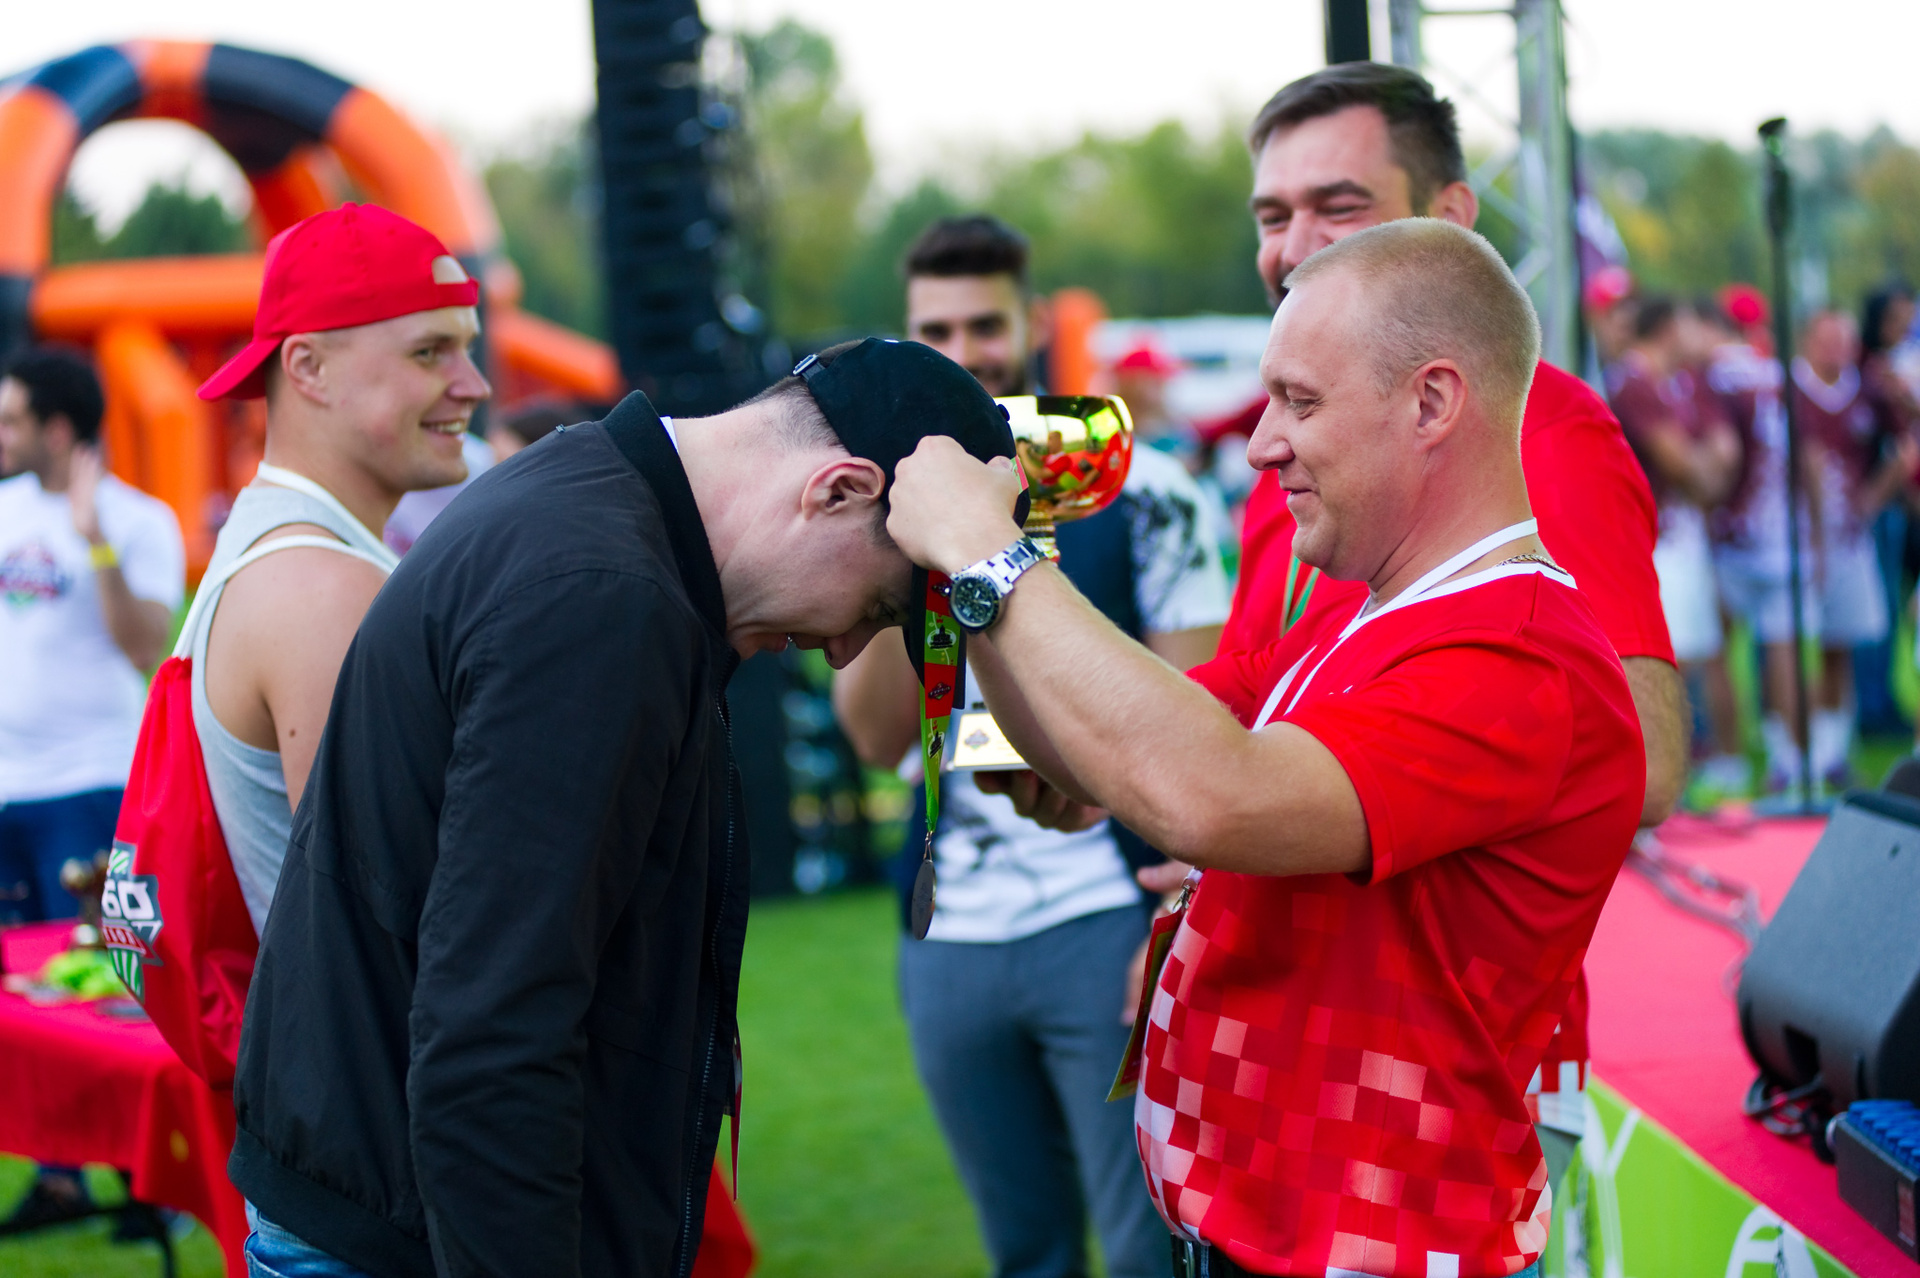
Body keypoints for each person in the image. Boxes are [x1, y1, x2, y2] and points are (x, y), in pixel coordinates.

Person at [886, 218, 1643, 1278]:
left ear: (1432, 403)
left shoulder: (1518, 655)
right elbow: (1109, 749)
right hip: (1278, 1238)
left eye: (1301, 401)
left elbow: (1210, 797)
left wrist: (988, 552)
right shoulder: (1362, 617)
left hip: (1370, 1250)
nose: (1260, 443)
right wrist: (976, 589)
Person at [229, 338, 1020, 1278]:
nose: (846, 648)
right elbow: (494, 1034)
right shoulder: (603, 599)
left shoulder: (590, 500)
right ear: (838, 491)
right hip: (405, 1240)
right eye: (883, 608)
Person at [1205, 63, 1680, 1189]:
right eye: (1273, 215)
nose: (1296, 247)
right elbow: (1264, 694)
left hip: (1431, 1096)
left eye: (1342, 206)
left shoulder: (1536, 430)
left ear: (1453, 216)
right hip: (1289, 1057)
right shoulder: (1301, 445)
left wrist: (1290, 803)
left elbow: (1645, 758)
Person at [835, 215, 1229, 1278]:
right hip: (948, 931)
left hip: (1105, 914)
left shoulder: (1147, 493)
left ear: (1034, 325)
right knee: (1026, 1253)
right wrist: (912, 548)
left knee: (1150, 1250)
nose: (964, 353)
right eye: (936, 332)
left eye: (985, 325)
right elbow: (874, 739)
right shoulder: (886, 502)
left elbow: (1198, 727)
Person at [189, 202, 486, 940]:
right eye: (430, 353)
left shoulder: (289, 546)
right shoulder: (324, 588)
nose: (473, 385)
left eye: (466, 348)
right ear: (308, 368)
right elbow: (403, 922)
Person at [0, 345, 184, 1227]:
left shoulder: (139, 520)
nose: (0, 435)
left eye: (11, 420)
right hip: (9, 786)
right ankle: (60, 1176)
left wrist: (93, 539)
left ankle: (154, 1183)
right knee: (31, 994)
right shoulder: (2, 508)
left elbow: (147, 644)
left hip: (95, 781)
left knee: (115, 979)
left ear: (57, 427)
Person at [1605, 298, 1746, 796]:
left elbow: (1725, 454)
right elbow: (1682, 463)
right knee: (1664, 660)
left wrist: (1701, 474)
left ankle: (1703, 767)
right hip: (1654, 540)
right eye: (1690, 322)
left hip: (1687, 534)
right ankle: (1660, 779)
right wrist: (1702, 474)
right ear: (1667, 327)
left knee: (1702, 652)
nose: (1701, 332)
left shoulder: (1684, 382)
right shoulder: (1633, 383)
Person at [1790, 310, 1914, 786]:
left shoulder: (1868, 391)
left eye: (1843, 341)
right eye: (1827, 340)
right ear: (1808, 341)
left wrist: (1873, 497)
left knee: (1840, 641)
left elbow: (1905, 448)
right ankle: (1793, 752)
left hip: (1849, 537)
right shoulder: (1788, 390)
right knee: (1792, 643)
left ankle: (1832, 748)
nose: (1837, 350)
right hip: (1795, 538)